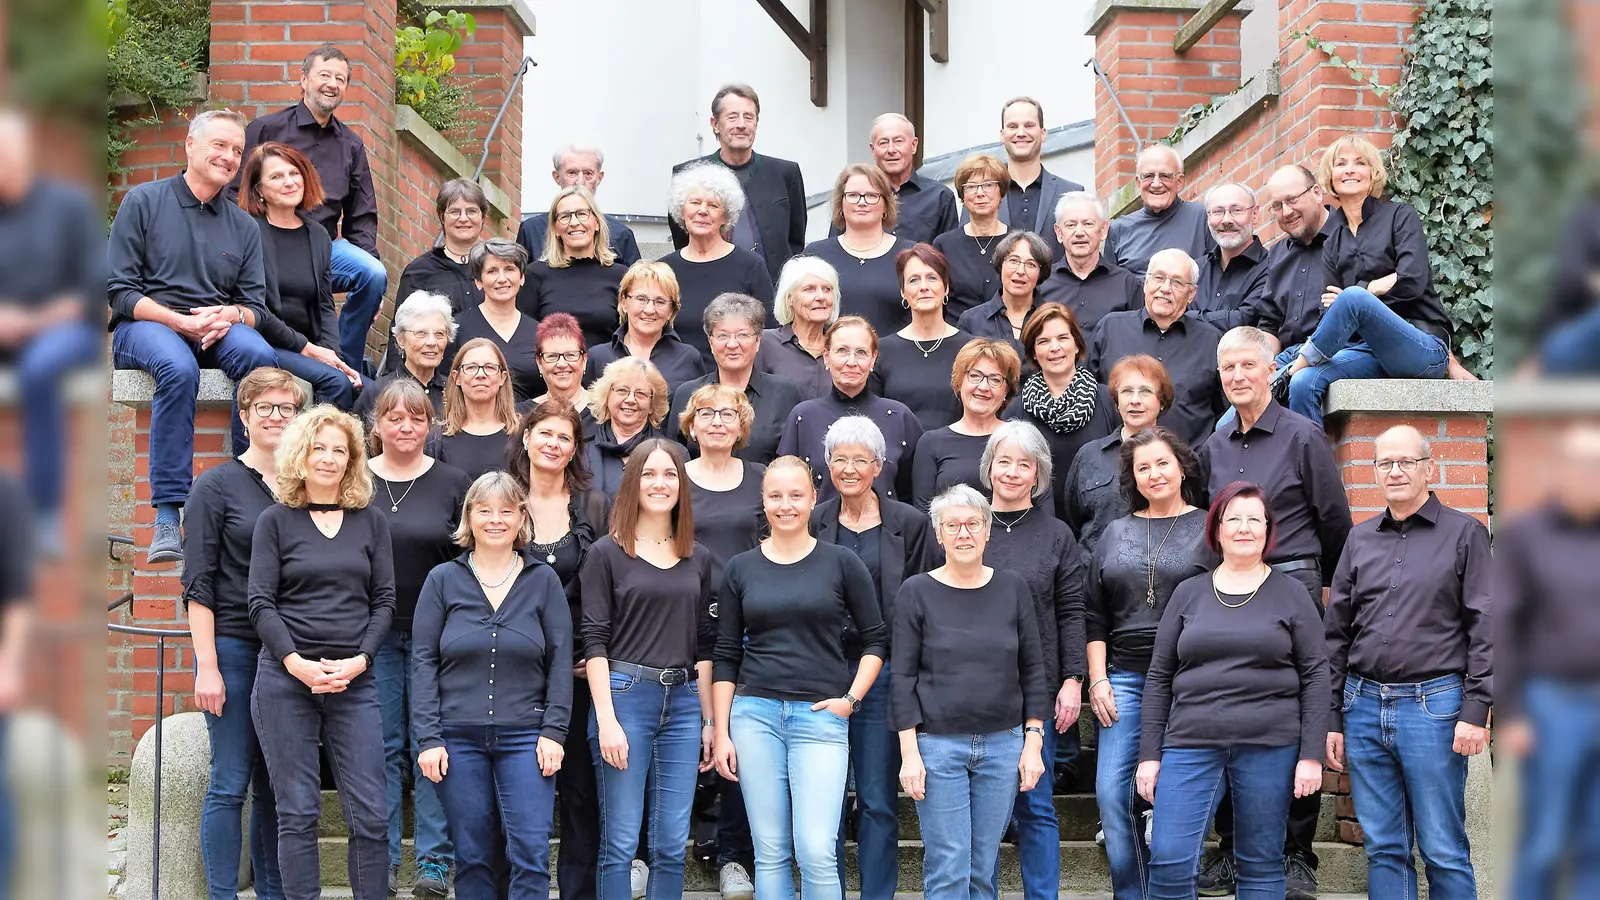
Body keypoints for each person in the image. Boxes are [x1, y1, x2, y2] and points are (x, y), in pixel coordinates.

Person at [1197, 326, 1352, 898]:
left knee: (1288, 711)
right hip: (1228, 587)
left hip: (1292, 583)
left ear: (1271, 371)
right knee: (1231, 703)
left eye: (1247, 366)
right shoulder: (1211, 448)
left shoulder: (1303, 437)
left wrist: (1332, 591)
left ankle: (1295, 854)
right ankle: (1233, 850)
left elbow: (1335, 521)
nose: (1237, 377)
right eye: (1228, 368)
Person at [1136, 482, 1329, 900]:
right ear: (1217, 529)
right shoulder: (1188, 593)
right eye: (1233, 519)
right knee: (1168, 858)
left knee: (1259, 862)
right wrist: (1150, 755)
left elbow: (1317, 675)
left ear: (1267, 529)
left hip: (1269, 744)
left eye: (1253, 519)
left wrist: (1311, 756)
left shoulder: (1292, 594)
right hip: (1190, 742)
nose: (1244, 528)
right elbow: (1159, 676)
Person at [1323, 425, 1490, 900]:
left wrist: (1476, 711)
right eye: (1384, 463)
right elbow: (1337, 632)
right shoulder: (1359, 540)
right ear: (1374, 471)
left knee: (1442, 847)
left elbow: (1487, 625)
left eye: (1405, 462)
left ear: (1428, 469)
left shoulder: (1464, 534)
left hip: (1434, 707)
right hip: (1363, 707)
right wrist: (1333, 715)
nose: (1394, 471)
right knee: (1384, 848)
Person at [711, 456, 888, 900]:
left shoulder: (842, 562)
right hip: (754, 717)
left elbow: (876, 640)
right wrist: (721, 731)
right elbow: (726, 654)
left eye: (795, 495)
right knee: (770, 851)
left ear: (813, 498)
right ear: (763, 501)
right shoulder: (740, 568)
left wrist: (850, 699)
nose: (785, 505)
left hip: (821, 717)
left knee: (815, 850)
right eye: (775, 496)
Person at [108, 108, 279, 564]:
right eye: (219, 145)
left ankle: (254, 489)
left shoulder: (243, 225)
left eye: (236, 151)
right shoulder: (143, 201)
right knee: (177, 368)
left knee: (262, 363)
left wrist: (230, 315)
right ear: (190, 145)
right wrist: (178, 321)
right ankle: (168, 514)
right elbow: (120, 292)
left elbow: (255, 308)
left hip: (216, 329)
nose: (228, 156)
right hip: (145, 327)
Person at [247, 405, 394, 900]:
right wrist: (297, 664)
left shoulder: (370, 522)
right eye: (319, 448)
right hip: (286, 681)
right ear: (300, 455)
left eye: (340, 450)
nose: (328, 458)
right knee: (297, 812)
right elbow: (260, 603)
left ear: (353, 460)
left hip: (355, 682)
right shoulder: (275, 521)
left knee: (372, 814)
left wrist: (361, 660)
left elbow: (384, 601)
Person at [413, 471, 573, 900]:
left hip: (527, 736)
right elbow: (423, 660)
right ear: (470, 516)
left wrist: (554, 731)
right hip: (457, 738)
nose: (496, 520)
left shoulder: (543, 581)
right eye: (484, 510)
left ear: (522, 517)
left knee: (531, 853)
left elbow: (560, 661)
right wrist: (428, 738)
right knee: (473, 855)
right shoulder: (442, 580)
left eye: (506, 510)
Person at [894, 484, 1049, 900]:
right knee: (949, 867)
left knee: (982, 869)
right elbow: (902, 677)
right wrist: (910, 753)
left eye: (973, 524)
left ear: (987, 531)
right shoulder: (916, 591)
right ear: (939, 534)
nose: (963, 533)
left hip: (1003, 745)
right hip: (938, 747)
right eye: (953, 525)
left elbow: (1033, 668)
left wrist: (1032, 742)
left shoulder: (1012, 588)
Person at [580, 439, 717, 900]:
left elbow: (703, 646)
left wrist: (708, 721)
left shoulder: (698, 557)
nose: (660, 484)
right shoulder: (606, 553)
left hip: (681, 705)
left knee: (672, 844)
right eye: (650, 474)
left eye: (670, 475)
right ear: (632, 482)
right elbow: (594, 641)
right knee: (619, 843)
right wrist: (606, 720)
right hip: (624, 698)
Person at [183, 369, 302, 900]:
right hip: (232, 646)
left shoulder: (305, 487)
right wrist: (206, 665)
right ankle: (222, 894)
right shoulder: (215, 486)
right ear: (245, 415)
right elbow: (198, 584)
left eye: (286, 407)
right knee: (230, 781)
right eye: (265, 407)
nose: (276, 416)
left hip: (289, 654)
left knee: (276, 786)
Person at [811, 416, 938, 900]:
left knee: (879, 799)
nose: (848, 469)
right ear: (826, 465)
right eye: (838, 459)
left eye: (859, 460)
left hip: (883, 672)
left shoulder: (910, 524)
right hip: (820, 670)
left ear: (879, 466)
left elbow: (923, 600)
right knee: (824, 800)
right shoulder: (814, 519)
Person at [1083, 426, 1211, 900]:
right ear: (1132, 479)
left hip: (1192, 681)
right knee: (1114, 795)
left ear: (1182, 467)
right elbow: (1093, 613)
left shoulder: (1210, 528)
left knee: (1177, 800)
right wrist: (1097, 679)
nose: (1154, 474)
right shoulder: (1115, 532)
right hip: (1125, 679)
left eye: (1162, 463)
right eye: (1143, 468)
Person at [1268, 135, 1460, 426]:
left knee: (1354, 298)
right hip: (1367, 351)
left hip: (1421, 345)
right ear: (1330, 178)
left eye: (1360, 163)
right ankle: (1314, 468)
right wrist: (1369, 294)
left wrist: (1361, 295)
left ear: (1373, 174)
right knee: (1304, 382)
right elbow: (1326, 312)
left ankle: (1301, 361)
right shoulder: (1333, 243)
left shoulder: (1400, 216)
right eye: (1341, 164)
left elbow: (1412, 282)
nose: (1350, 170)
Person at [365, 379, 472, 897]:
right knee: (382, 749)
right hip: (372, 637)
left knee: (432, 745)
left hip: (438, 638)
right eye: (394, 417)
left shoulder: (453, 481)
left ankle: (434, 863)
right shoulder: (354, 481)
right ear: (377, 425)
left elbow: (470, 560)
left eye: (416, 418)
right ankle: (380, 860)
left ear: (429, 426)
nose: (405, 427)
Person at [977, 422, 1087, 900]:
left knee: (1035, 805)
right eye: (1005, 462)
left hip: (1035, 693)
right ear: (989, 467)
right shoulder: (967, 523)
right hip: (972, 688)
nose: (1014, 472)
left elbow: (1072, 610)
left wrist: (1073, 678)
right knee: (982, 814)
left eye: (1025, 464)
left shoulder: (1057, 535)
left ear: (1039, 473)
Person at [507, 401, 611, 900]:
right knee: (513, 795)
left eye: (564, 438)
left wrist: (594, 654)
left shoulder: (595, 506)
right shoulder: (502, 500)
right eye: (544, 433)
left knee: (579, 796)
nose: (553, 444)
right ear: (526, 438)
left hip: (578, 672)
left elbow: (613, 588)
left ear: (575, 449)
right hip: (511, 671)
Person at [233, 45, 386, 372]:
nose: (332, 84)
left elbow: (361, 215)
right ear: (303, 79)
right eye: (325, 75)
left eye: (341, 79)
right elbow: (237, 192)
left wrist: (374, 281)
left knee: (373, 273)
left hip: (324, 247)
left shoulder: (352, 145)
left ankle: (346, 361)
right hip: (267, 241)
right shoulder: (266, 129)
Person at [1496, 423, 1600, 899]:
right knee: (1546, 839)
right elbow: (1505, 627)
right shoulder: (1528, 535)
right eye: (1580, 465)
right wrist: (1513, 713)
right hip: (1554, 705)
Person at [0, 110, 102, 556]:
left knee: (39, 369)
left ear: (25, 154)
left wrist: (37, 320)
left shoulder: (69, 206)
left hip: (64, 332)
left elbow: (95, 283)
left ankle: (45, 514)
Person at [677, 384, 765, 898]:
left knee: (734, 737)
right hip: (677, 619)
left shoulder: (759, 479)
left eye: (727, 413)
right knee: (679, 735)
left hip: (745, 624)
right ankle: (655, 847)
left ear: (742, 424)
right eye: (705, 413)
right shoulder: (671, 474)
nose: (715, 421)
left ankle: (734, 853)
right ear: (690, 422)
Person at [237, 141, 362, 410]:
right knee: (337, 384)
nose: (289, 182)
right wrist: (306, 348)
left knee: (369, 390)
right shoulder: (248, 232)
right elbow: (255, 308)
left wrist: (332, 353)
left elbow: (325, 304)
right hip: (270, 344)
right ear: (259, 191)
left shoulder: (317, 236)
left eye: (294, 173)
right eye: (277, 176)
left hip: (310, 346)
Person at [777, 316, 923, 504]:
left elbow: (913, 495)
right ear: (826, 356)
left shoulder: (899, 417)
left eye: (861, 352)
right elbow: (787, 489)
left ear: (873, 359)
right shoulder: (803, 417)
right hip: (819, 531)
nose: (851, 361)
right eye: (842, 351)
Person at [670, 84, 805, 283]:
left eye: (748, 117)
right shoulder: (688, 174)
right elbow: (682, 239)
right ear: (715, 124)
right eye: (732, 117)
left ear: (756, 124)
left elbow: (796, 240)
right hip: (709, 285)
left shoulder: (785, 173)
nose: (741, 124)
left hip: (772, 292)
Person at [1090, 248, 1225, 446]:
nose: (1165, 288)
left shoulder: (1211, 341)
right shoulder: (1110, 329)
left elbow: (1224, 413)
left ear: (1191, 293)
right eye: (1158, 278)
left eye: (1177, 282)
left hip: (1187, 467)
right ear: (1145, 283)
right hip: (1115, 463)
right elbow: (1091, 400)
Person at [1004, 303, 1117, 519]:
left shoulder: (1108, 401)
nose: (1054, 348)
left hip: (1099, 527)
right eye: (1043, 341)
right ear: (1034, 353)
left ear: (1076, 345)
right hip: (1037, 529)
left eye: (1062, 338)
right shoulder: (1016, 412)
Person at [668, 293, 803, 465]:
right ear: (710, 342)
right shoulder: (687, 393)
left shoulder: (784, 393)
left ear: (758, 342)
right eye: (722, 335)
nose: (732, 345)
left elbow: (793, 462)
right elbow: (673, 459)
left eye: (742, 335)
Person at [662, 163, 776, 368]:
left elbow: (768, 332)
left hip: (736, 384)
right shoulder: (664, 271)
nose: (702, 211)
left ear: (726, 215)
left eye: (713, 205)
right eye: (695, 202)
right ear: (681, 210)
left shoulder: (751, 266)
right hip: (677, 384)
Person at [1062, 355, 1170, 555]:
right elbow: (1074, 517)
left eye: (1145, 391)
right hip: (1093, 575)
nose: (1135, 400)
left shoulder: (1178, 458)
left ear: (1161, 401)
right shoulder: (1089, 455)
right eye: (1127, 391)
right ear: (1116, 400)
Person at [383, 179, 488, 373]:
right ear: (442, 217)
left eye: (471, 211)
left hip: (489, 376)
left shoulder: (498, 269)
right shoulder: (420, 271)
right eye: (454, 211)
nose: (463, 218)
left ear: (483, 217)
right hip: (436, 378)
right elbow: (400, 331)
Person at [802, 164, 919, 334]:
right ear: (840, 203)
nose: (862, 202)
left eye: (871, 195)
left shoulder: (911, 255)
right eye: (853, 195)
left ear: (886, 204)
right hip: (828, 357)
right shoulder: (815, 256)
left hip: (895, 359)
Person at [872, 244, 977, 431]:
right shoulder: (881, 351)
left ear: (946, 288)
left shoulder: (971, 349)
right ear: (903, 292)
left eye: (932, 278)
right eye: (913, 280)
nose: (923, 287)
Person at [911, 338, 1020, 509]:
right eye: (975, 376)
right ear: (960, 381)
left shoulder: (1020, 439)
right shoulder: (931, 443)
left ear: (1006, 390)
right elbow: (923, 513)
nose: (983, 387)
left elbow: (1040, 509)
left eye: (995, 379)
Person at [521, 186, 627, 351]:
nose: (574, 223)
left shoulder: (621, 276)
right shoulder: (534, 274)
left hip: (607, 372)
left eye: (582, 214)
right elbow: (526, 336)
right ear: (555, 229)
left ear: (597, 223)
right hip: (554, 371)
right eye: (565, 216)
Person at [833, 113, 959, 246]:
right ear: (873, 149)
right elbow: (834, 247)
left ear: (914, 145)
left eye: (899, 141)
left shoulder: (939, 197)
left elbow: (949, 253)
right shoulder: (854, 196)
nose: (891, 150)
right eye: (883, 143)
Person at [586, 261, 706, 396]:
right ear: (624, 302)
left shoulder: (688, 358)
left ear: (671, 311)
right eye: (641, 299)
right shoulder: (598, 357)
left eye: (660, 302)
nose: (649, 310)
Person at [987, 97, 1085, 263]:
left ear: (1043, 133)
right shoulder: (980, 194)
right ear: (1002, 135)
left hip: (1056, 288)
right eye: (1012, 126)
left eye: (1029, 125)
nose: (1021, 133)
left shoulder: (1071, 194)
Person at [1034, 193, 1143, 336]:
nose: (1079, 232)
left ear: (1103, 230)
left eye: (1088, 224)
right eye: (1070, 225)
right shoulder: (1041, 284)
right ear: (1059, 233)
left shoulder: (1127, 285)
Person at [1256, 164, 1337, 356]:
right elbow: (1270, 323)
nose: (1286, 212)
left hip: (1334, 354)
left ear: (1317, 193)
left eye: (1292, 200)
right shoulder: (1277, 253)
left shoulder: (1351, 237)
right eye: (1277, 206)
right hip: (1286, 358)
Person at [519, 143, 641, 267]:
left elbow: (636, 283)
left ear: (599, 178)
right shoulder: (530, 230)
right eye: (572, 173)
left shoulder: (621, 234)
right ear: (557, 177)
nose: (580, 181)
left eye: (588, 173)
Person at [449, 239, 542, 402]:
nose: (502, 278)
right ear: (478, 281)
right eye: (492, 271)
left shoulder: (540, 333)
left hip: (529, 423)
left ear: (522, 278)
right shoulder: (457, 328)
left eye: (509, 269)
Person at [1103, 144, 1214, 279]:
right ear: (1138, 182)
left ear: (1179, 181)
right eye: (1148, 176)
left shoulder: (1200, 217)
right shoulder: (1119, 230)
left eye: (1165, 176)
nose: (1156, 184)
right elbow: (1109, 288)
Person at [584, 357, 681, 497]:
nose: (630, 400)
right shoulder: (581, 453)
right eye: (622, 391)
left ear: (652, 405)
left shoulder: (674, 454)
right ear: (606, 396)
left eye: (640, 394)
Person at [354, 291, 455, 423]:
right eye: (421, 333)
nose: (432, 342)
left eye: (440, 334)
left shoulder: (455, 392)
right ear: (400, 339)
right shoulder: (378, 393)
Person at [933, 153, 1010, 320]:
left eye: (988, 185)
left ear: (1001, 192)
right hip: (958, 339)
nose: (980, 193)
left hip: (1007, 338)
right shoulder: (944, 245)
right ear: (962, 196)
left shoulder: (1018, 242)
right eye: (971, 186)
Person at [433, 339, 522, 480]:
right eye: (471, 367)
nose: (481, 374)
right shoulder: (437, 440)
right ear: (457, 378)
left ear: (502, 378)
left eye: (490, 367)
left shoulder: (522, 435)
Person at [757, 256, 839, 400]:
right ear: (789, 298)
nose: (821, 297)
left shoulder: (842, 347)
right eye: (809, 289)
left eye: (827, 289)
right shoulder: (764, 343)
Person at [957, 231, 1052, 352]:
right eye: (1013, 261)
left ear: (1040, 272)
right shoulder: (971, 321)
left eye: (1030, 264)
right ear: (1001, 264)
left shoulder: (1053, 318)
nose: (1020, 271)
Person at [1193, 183, 1270, 331]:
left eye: (1236, 210)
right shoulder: (1195, 269)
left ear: (1254, 214)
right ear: (1208, 218)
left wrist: (1189, 318)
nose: (1226, 220)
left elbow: (1245, 319)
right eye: (1217, 211)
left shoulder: (1271, 267)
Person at [532, 313, 590, 410]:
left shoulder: (605, 411)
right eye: (552, 356)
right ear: (539, 363)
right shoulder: (523, 414)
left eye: (570, 355)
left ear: (584, 360)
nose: (561, 364)